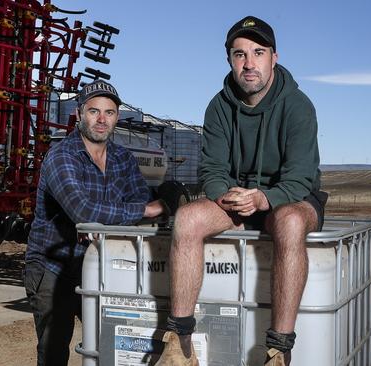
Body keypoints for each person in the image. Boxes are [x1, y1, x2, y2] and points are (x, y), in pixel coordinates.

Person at [155, 16, 327, 366]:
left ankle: (278, 351)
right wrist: (225, 194)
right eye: (239, 54)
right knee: (187, 217)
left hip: (290, 198)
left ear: (274, 58)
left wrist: (265, 198)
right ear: (230, 60)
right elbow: (212, 170)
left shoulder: (298, 106)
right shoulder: (219, 107)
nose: (249, 63)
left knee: (290, 222)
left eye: (258, 52)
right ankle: (179, 344)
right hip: (235, 197)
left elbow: (300, 176)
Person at [24, 80, 168, 366]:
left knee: (109, 344)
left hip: (103, 265)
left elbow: (138, 198)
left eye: (110, 113)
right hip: (54, 269)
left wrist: (106, 221)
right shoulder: (61, 156)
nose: (102, 120)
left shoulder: (123, 159)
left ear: (116, 117)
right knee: (54, 351)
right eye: (94, 111)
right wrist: (139, 211)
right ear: (79, 114)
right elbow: (83, 209)